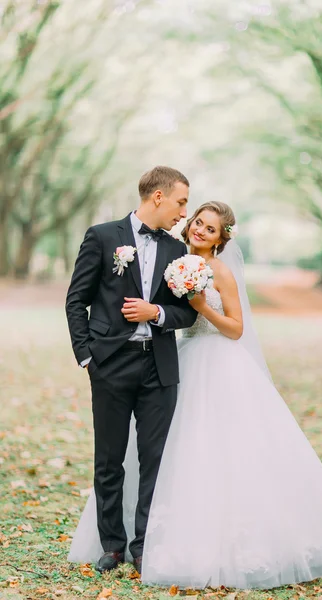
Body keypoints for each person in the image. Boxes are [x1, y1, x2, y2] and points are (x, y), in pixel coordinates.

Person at [69, 201, 322, 590]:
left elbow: (235, 328)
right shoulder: (174, 258)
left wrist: (198, 307)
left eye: (210, 229)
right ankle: (128, 539)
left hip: (220, 363)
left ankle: (203, 539)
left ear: (222, 237)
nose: (200, 231)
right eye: (198, 222)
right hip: (178, 363)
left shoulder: (222, 271)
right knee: (168, 450)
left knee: (215, 450)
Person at [65, 166, 197, 574]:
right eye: (180, 202)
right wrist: (87, 355)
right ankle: (113, 546)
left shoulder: (179, 253)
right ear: (158, 197)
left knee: (156, 459)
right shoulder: (103, 237)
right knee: (109, 458)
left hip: (159, 366)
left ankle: (145, 546)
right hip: (110, 364)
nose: (183, 213)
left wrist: (156, 311)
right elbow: (76, 300)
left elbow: (187, 314)